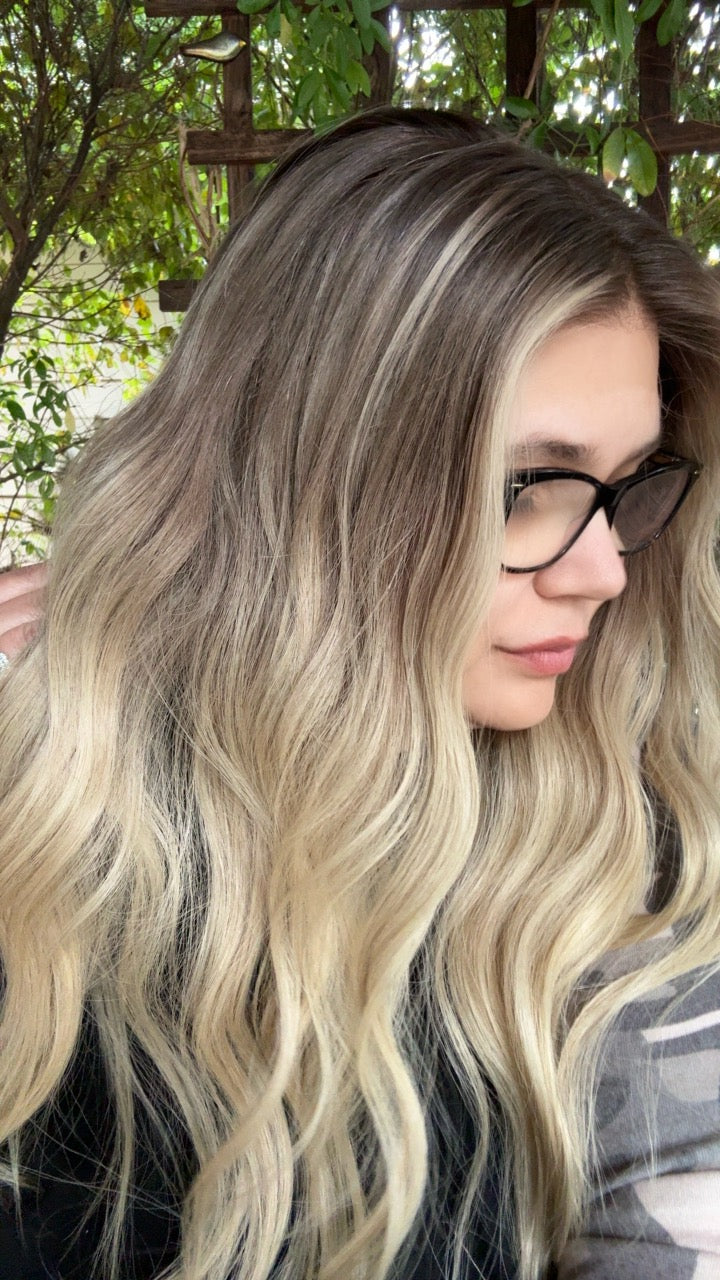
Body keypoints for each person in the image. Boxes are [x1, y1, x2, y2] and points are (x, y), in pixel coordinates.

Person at [1, 106, 719, 1280]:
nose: (604, 572)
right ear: (299, 481)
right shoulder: (44, 821)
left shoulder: (623, 858)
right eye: (527, 487)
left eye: (629, 480)